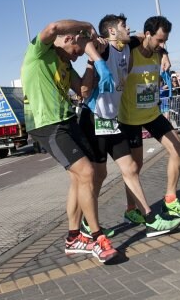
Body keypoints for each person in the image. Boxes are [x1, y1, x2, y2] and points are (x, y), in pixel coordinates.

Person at [20, 18, 117, 263]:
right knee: (85, 172)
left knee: (83, 175)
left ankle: (73, 238)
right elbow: (53, 27)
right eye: (78, 50)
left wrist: (92, 62)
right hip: (46, 124)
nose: (76, 56)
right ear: (70, 38)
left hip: (66, 120)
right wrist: (87, 25)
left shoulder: (66, 64)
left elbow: (83, 91)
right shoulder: (39, 52)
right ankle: (96, 237)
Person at [78, 13, 180, 239]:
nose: (129, 28)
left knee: (131, 168)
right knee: (98, 175)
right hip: (94, 118)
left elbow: (148, 38)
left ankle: (150, 219)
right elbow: (85, 43)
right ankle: (86, 224)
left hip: (111, 120)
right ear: (113, 31)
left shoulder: (128, 43)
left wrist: (163, 52)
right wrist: (96, 59)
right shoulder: (104, 47)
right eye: (124, 26)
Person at [118, 16, 180, 221]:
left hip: (152, 114)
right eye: (159, 40)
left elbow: (159, 47)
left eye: (165, 41)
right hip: (130, 118)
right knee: (134, 167)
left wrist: (163, 51)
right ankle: (131, 209)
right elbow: (127, 41)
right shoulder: (130, 53)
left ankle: (170, 200)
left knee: (178, 148)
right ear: (147, 35)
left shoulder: (158, 53)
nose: (162, 44)